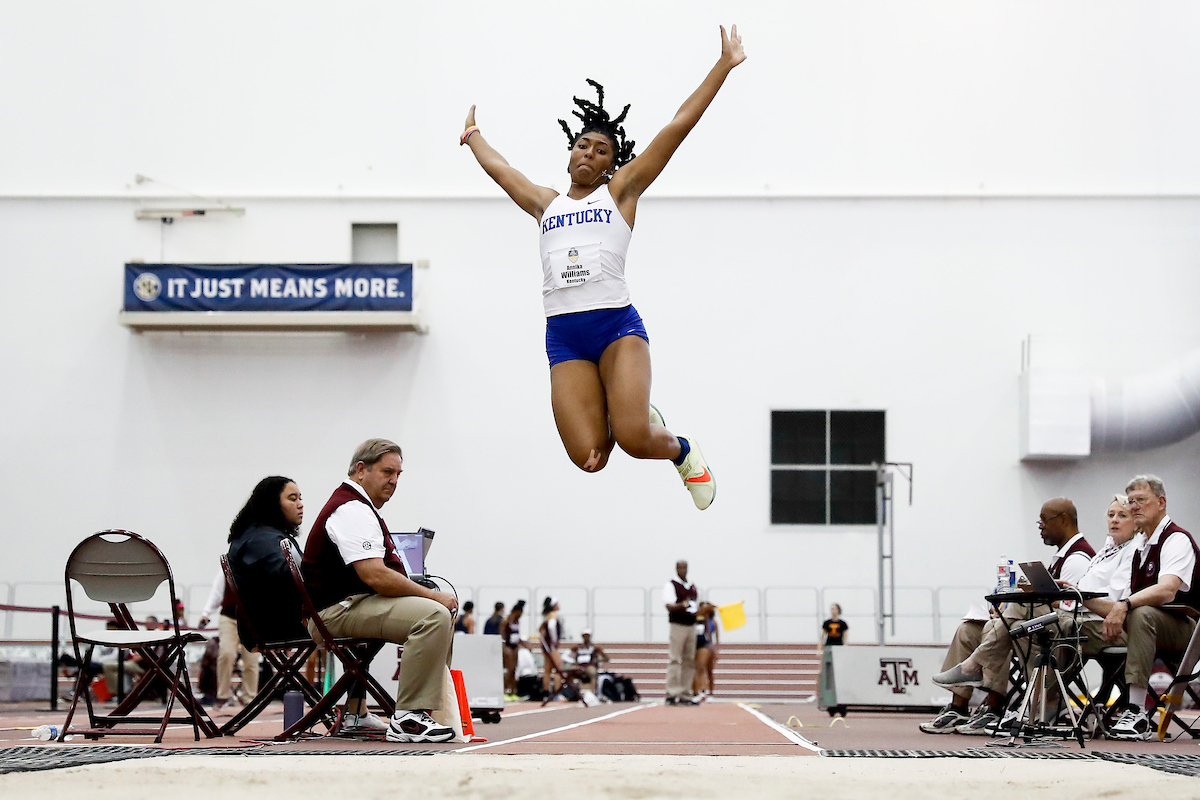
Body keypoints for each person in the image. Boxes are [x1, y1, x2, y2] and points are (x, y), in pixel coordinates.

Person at [460, 25, 748, 512]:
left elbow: (676, 127)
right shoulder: (546, 204)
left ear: (612, 165)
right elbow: (502, 170)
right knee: (589, 458)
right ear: (570, 153)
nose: (589, 153)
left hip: (616, 329)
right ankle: (624, 411)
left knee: (634, 441)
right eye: (582, 145)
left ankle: (681, 450)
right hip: (565, 336)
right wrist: (472, 136)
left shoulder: (620, 193)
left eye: (601, 150)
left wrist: (723, 65)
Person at [301, 438, 458, 744]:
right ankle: (410, 717)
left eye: (398, 474)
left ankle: (360, 714)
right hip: (334, 613)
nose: (394, 481)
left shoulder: (358, 507)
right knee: (433, 615)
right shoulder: (351, 510)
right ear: (361, 470)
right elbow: (375, 575)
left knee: (436, 609)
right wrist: (430, 595)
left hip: (347, 605)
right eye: (387, 472)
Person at [920, 497, 1095, 734]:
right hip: (1036, 623)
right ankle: (958, 708)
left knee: (1004, 625)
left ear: (1063, 520)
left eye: (1043, 520)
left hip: (1060, 633)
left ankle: (992, 704)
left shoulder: (1077, 560)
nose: (1040, 527)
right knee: (969, 629)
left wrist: (1019, 604)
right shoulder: (1061, 556)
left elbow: (1069, 606)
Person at [1102, 475, 1199, 740]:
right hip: (1149, 626)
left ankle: (1136, 711)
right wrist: (1079, 598)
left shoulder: (1176, 539)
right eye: (1131, 501)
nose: (1134, 506)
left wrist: (1124, 605)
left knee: (1140, 613)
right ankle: (1056, 709)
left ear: (1161, 502)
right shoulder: (1140, 547)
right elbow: (1122, 599)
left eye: (1141, 500)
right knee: (1076, 626)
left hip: (1188, 628)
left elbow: (1167, 590)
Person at [664, 559, 700, 705]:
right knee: (675, 658)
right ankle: (672, 692)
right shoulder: (671, 585)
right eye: (680, 568)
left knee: (689, 660)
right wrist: (682, 605)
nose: (683, 570)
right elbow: (669, 605)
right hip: (678, 625)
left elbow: (695, 604)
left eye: (684, 568)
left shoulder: (691, 585)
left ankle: (685, 692)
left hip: (691, 625)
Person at [502, 600, 529, 698]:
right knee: (509, 669)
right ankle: (505, 690)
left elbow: (517, 635)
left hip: (515, 647)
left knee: (514, 669)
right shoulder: (506, 620)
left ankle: (513, 692)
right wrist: (504, 648)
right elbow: (501, 635)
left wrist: (524, 643)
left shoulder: (517, 622)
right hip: (508, 646)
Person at [539, 596, 565, 697]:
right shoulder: (553, 616)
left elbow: (542, 630)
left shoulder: (547, 616)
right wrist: (554, 641)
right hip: (551, 646)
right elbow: (551, 627)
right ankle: (557, 692)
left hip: (547, 645)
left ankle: (546, 692)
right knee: (559, 669)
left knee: (548, 670)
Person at [693, 603, 719, 697]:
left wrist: (715, 650)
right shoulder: (695, 619)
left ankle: (709, 692)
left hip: (706, 645)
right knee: (697, 668)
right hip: (695, 644)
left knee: (707, 669)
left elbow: (713, 636)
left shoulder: (712, 622)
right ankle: (697, 690)